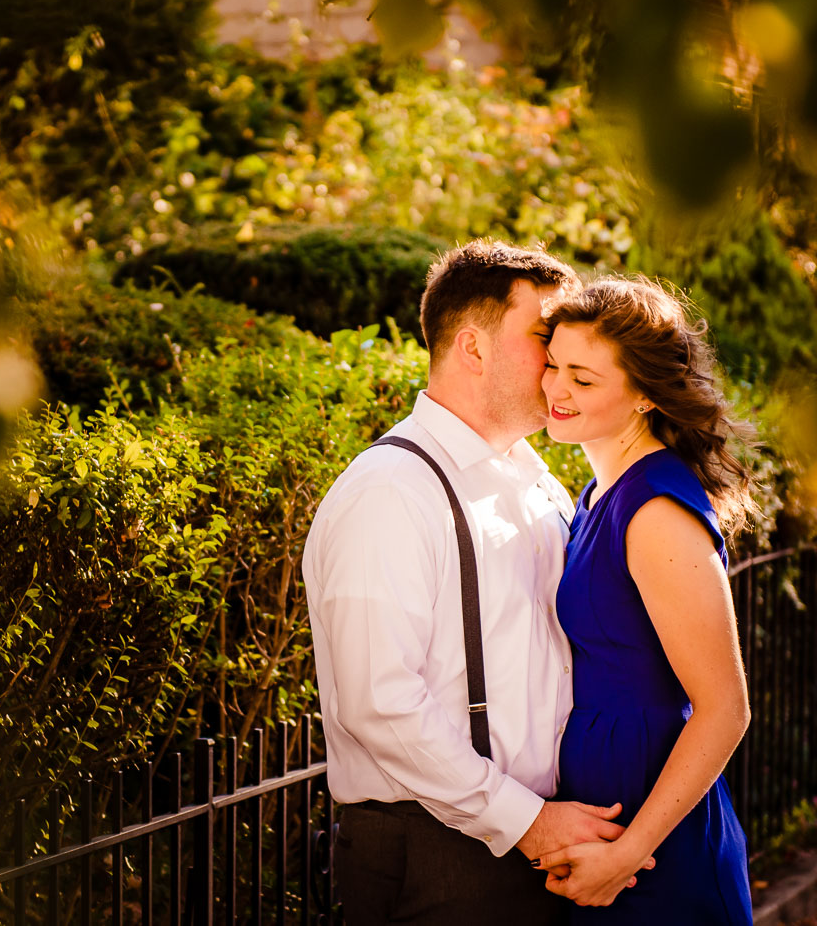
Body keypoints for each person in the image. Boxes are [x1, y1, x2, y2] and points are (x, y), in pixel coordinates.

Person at [305, 240, 644, 925]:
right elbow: (380, 704)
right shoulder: (390, 491)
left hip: (543, 838)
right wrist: (525, 822)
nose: (560, 362)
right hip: (438, 855)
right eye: (545, 337)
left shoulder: (532, 478)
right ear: (472, 349)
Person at [533, 277, 754, 923]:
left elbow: (725, 709)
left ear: (644, 395)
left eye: (583, 377)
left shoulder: (656, 508)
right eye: (553, 366)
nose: (555, 389)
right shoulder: (598, 494)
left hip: (657, 846)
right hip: (605, 822)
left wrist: (630, 853)